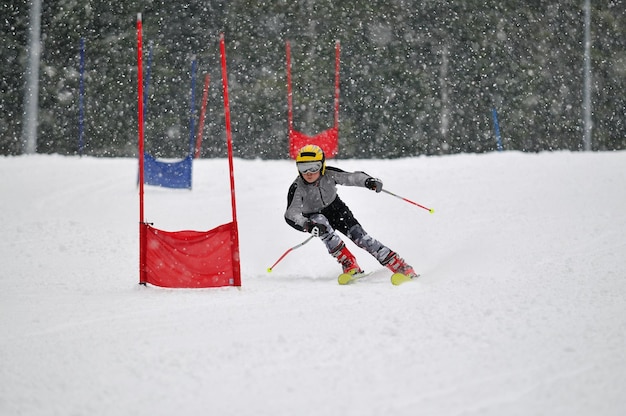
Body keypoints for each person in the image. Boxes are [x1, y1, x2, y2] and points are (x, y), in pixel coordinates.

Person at [284, 144, 417, 281]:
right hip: (315, 219)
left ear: (322, 165)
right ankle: (349, 264)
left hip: (337, 211)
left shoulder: (329, 174)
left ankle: (401, 266)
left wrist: (368, 181)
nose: (309, 173)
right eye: (303, 168)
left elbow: (351, 177)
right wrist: (307, 225)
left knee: (361, 238)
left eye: (314, 167)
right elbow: (291, 214)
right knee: (321, 224)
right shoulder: (297, 187)